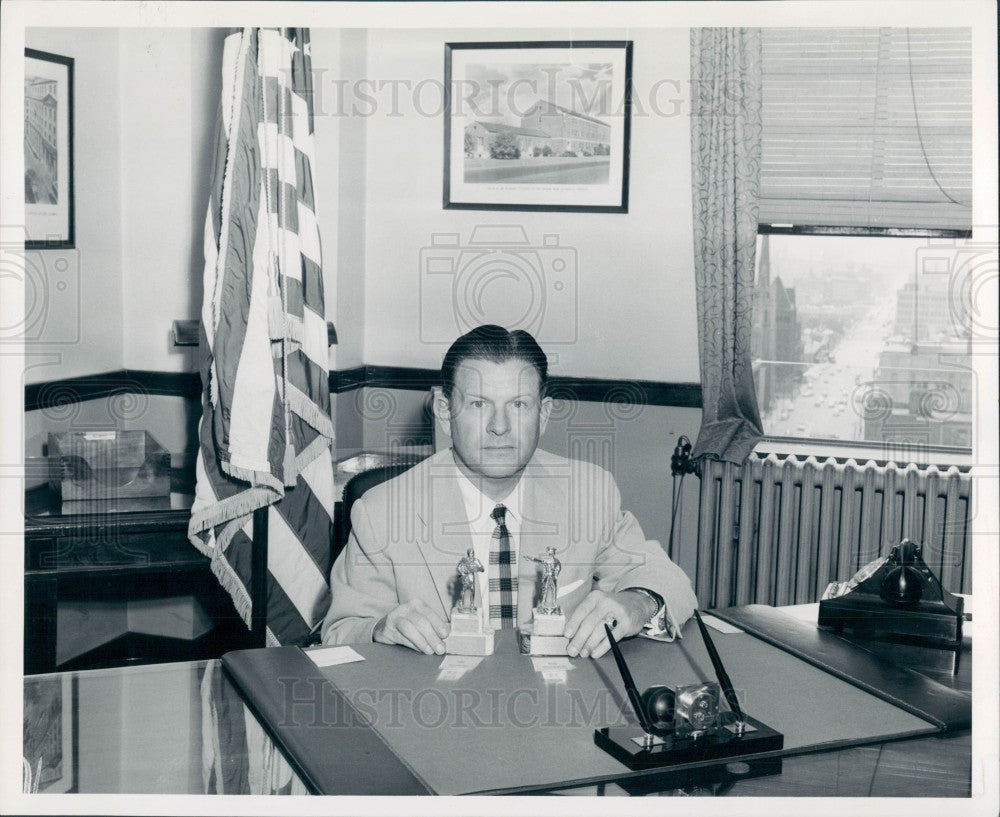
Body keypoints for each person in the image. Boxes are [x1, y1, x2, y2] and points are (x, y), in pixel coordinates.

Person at [322, 325, 698, 658]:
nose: (499, 427)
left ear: (544, 414)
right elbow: (339, 632)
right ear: (444, 410)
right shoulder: (383, 511)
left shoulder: (589, 491)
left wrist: (636, 604)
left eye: (518, 405)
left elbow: (667, 578)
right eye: (478, 404)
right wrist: (379, 628)